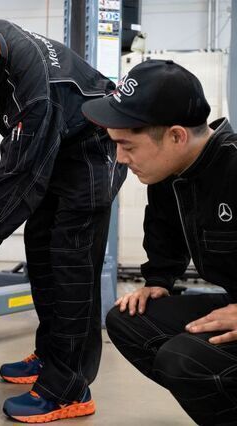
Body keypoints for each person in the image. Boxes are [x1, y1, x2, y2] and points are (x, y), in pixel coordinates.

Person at [0, 3, 127, 423]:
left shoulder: (33, 85)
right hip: (58, 145)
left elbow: (20, 182)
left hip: (91, 150)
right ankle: (51, 355)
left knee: (70, 263)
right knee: (41, 252)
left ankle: (68, 388)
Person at [82, 59, 237, 425]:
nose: (120, 158)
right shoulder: (171, 172)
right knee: (130, 320)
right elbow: (164, 231)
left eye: (127, 146)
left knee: (184, 359)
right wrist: (158, 281)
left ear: (176, 136)